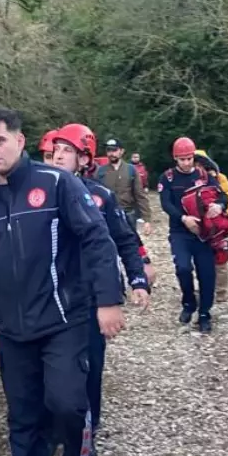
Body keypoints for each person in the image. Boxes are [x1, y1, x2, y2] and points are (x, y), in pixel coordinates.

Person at [0, 107, 125, 456]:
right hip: (14, 331)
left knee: (68, 405)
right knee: (23, 422)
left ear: (20, 140)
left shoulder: (56, 184)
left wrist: (108, 301)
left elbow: (97, 239)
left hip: (63, 320)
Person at [51, 123, 151, 432]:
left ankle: (87, 428)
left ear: (84, 158)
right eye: (55, 150)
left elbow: (124, 240)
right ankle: (56, 427)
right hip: (53, 295)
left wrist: (138, 279)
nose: (58, 157)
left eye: (67, 151)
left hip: (92, 293)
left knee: (90, 365)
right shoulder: (37, 196)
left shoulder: (100, 196)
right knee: (54, 369)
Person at [158, 137, 227, 334]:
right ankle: (188, 302)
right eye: (182, 159)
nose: (186, 163)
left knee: (207, 274)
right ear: (175, 159)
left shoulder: (205, 176)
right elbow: (166, 203)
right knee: (183, 268)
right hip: (180, 231)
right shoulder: (168, 178)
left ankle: (205, 313)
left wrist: (218, 205)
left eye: (189, 158)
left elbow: (222, 195)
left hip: (203, 233)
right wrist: (183, 218)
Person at [194, 149, 228, 304]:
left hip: (220, 225)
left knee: (221, 261)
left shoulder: (220, 178)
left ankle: (220, 291)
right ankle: (205, 288)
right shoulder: (187, 180)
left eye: (200, 163)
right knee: (202, 260)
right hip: (200, 227)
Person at [100, 138, 153, 234]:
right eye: (108, 150)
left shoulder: (131, 170)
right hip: (107, 217)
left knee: (130, 245)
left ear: (121, 151)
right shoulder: (100, 172)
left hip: (128, 216)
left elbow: (140, 195)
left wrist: (147, 219)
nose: (111, 153)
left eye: (114, 150)